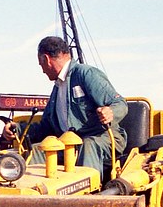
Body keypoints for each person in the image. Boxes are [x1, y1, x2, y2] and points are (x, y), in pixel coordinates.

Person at [10, 36, 128, 178]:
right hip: (68, 144)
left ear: (46, 59)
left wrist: (110, 112)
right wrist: (17, 129)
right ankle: (32, 189)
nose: (43, 71)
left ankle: (87, 191)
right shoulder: (58, 89)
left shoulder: (86, 74)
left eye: (41, 65)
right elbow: (46, 127)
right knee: (38, 150)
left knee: (88, 145)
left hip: (101, 138)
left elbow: (120, 103)